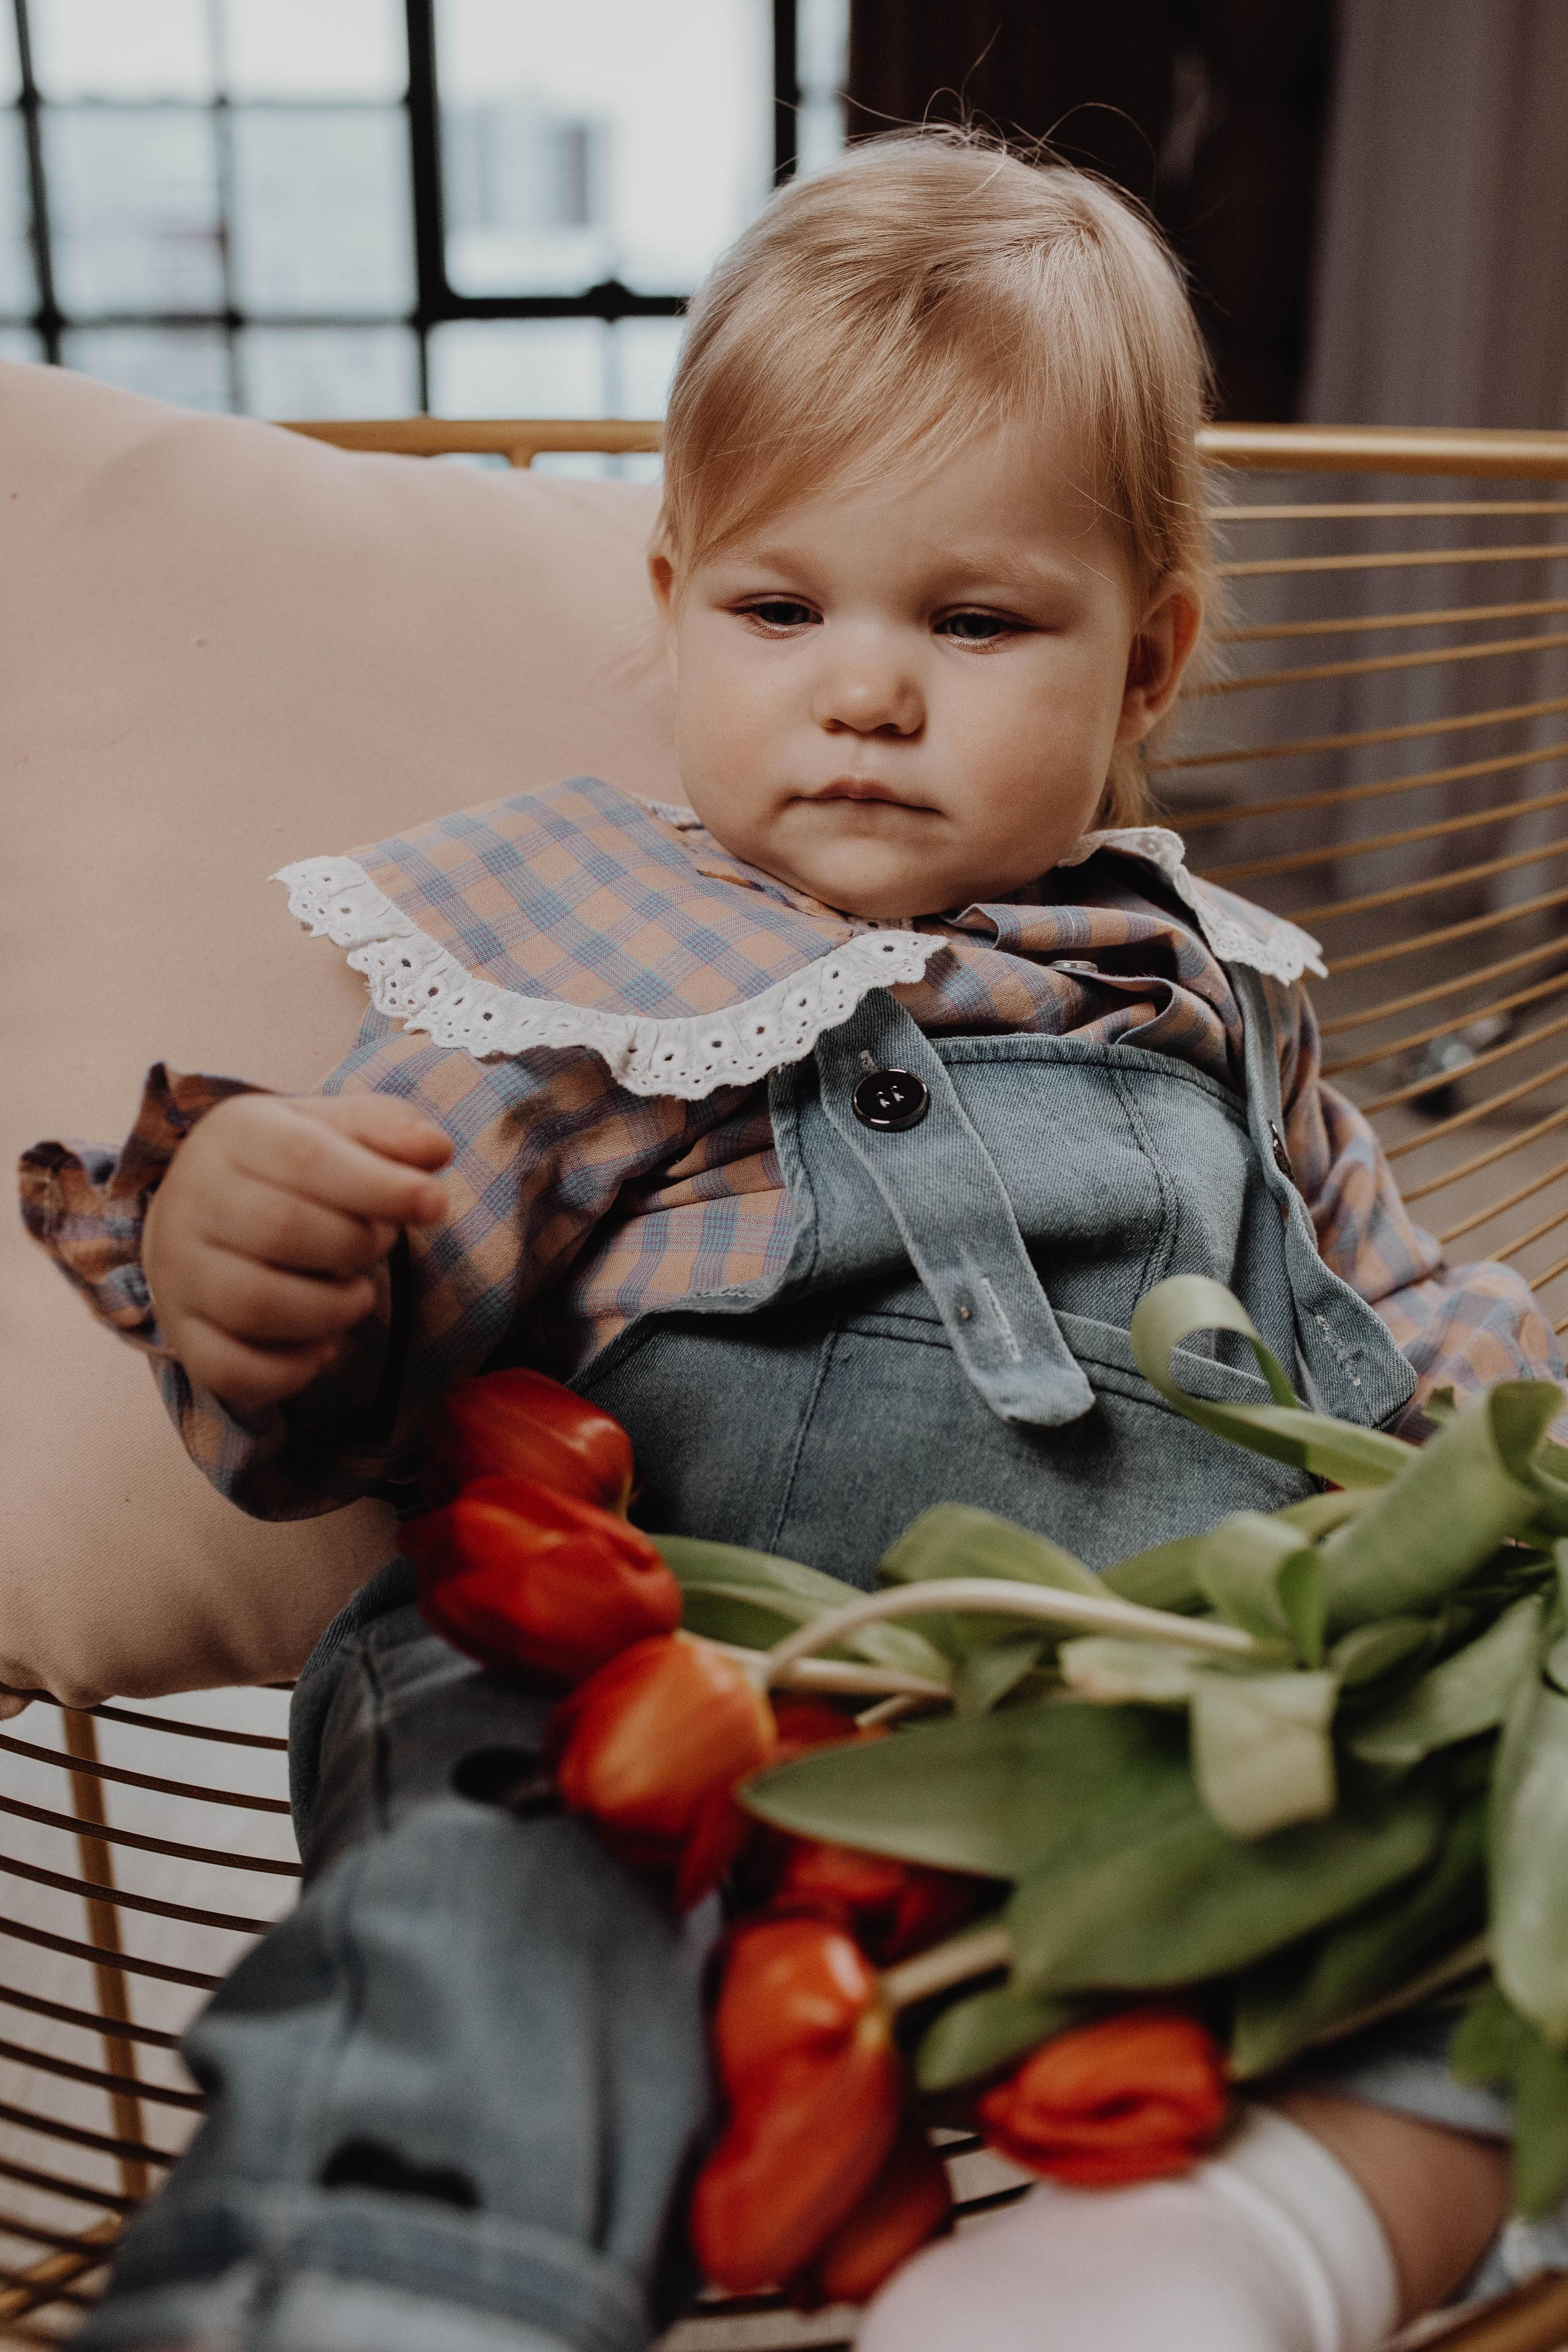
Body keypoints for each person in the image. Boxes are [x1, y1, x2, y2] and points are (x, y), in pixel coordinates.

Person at [21, 131, 1561, 2352]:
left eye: (975, 621)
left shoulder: (1212, 991)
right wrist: (253, 1269)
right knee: (479, 1860)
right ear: (671, 605)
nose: (867, 690)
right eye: (779, 609)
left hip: (1182, 1728)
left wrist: (1512, 1473)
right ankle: (387, 2288)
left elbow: (1404, 1327)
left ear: (1146, 667)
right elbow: (371, 1377)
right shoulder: (571, 955)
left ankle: (1227, 2252)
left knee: (1527, 1825)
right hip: (650, 1682)